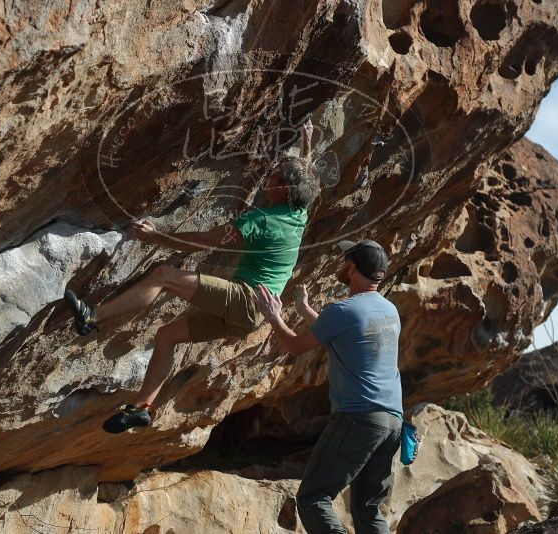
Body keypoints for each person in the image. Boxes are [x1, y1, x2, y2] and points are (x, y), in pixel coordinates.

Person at [64, 120, 319, 433]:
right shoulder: (297, 213)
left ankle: (93, 318)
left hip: (247, 298)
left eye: (275, 177)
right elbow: (305, 179)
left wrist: (157, 237)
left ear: (283, 189)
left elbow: (208, 240)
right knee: (167, 336)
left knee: (163, 276)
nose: (269, 178)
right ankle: (142, 408)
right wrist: (307, 145)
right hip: (254, 315)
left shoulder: (262, 219)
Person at [254, 239, 403, 534]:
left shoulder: (344, 310)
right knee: (368, 509)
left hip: (359, 418)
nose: (340, 264)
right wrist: (305, 309)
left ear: (352, 268)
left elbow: (296, 346)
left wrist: (274, 317)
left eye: (344, 260)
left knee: (313, 498)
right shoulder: (388, 311)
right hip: (393, 421)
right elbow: (344, 333)